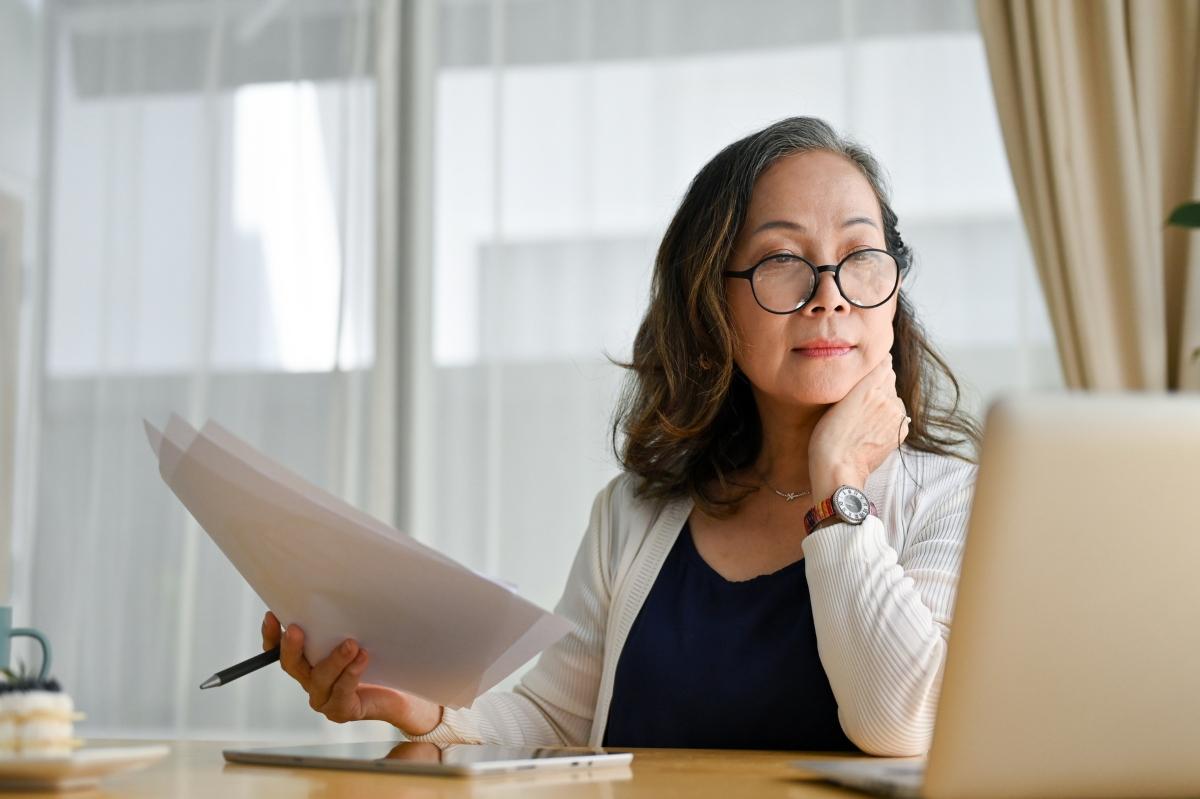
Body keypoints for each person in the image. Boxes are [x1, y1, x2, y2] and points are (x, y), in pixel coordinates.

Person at [260, 117, 979, 756]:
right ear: (713, 304)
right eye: (782, 261)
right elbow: (553, 717)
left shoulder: (954, 500)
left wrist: (838, 485)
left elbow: (901, 724)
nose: (830, 292)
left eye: (860, 256)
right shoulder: (632, 514)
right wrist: (426, 710)